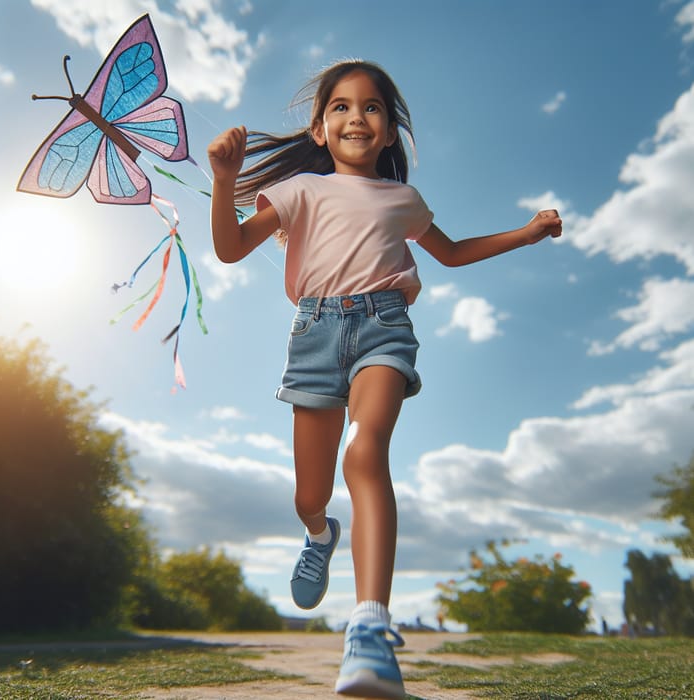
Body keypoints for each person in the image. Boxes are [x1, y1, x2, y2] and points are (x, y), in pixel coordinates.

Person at [208, 59, 562, 699]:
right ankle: (320, 533)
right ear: (319, 128)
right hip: (314, 334)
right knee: (308, 493)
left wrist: (528, 234)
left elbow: (451, 253)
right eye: (340, 106)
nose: (356, 117)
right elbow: (231, 249)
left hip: (384, 326)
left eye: (372, 107)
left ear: (390, 132)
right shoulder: (299, 192)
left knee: (364, 451)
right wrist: (224, 181)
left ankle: (369, 629)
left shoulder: (404, 201)